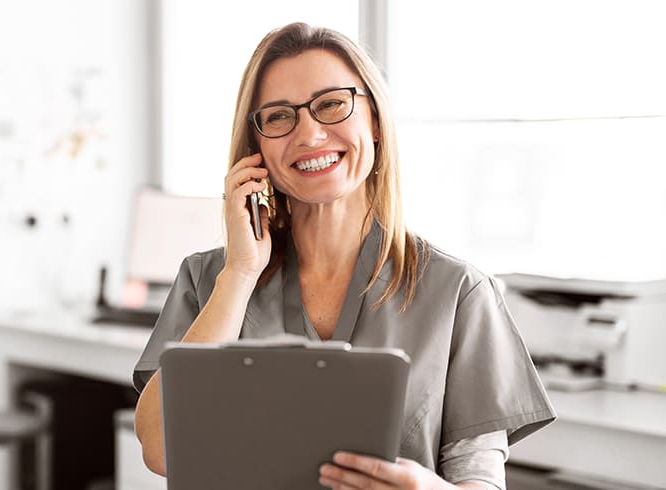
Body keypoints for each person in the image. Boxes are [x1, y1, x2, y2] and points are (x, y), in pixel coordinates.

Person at [133, 22, 555, 489]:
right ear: (257, 150)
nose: (309, 135)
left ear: (374, 120)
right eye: (277, 117)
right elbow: (159, 450)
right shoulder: (208, 278)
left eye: (331, 105)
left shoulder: (458, 291)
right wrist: (241, 272)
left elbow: (480, 480)